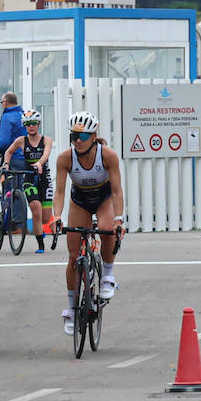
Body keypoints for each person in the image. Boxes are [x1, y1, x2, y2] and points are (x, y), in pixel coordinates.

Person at [51, 111, 125, 336]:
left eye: (83, 136)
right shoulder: (65, 158)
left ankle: (108, 276)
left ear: (94, 136)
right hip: (80, 201)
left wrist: (119, 219)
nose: (78, 141)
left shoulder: (108, 156)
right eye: (74, 136)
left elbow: (116, 191)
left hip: (103, 200)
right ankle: (72, 309)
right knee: (74, 256)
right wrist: (56, 217)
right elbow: (60, 191)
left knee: (107, 231)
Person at [2, 109, 54, 253]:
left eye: (34, 124)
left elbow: (46, 153)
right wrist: (6, 164)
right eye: (28, 124)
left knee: (45, 218)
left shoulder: (47, 140)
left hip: (44, 177)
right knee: (36, 211)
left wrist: (39, 163)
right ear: (24, 126)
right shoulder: (21, 141)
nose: (31, 126)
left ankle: (44, 230)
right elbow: (8, 152)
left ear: (38, 124)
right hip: (29, 177)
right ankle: (40, 245)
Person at [0, 91, 24, 168]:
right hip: (26, 158)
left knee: (7, 179)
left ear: (5, 103)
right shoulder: (23, 115)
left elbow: (4, 142)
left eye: (1, 102)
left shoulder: (7, 117)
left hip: (13, 158)